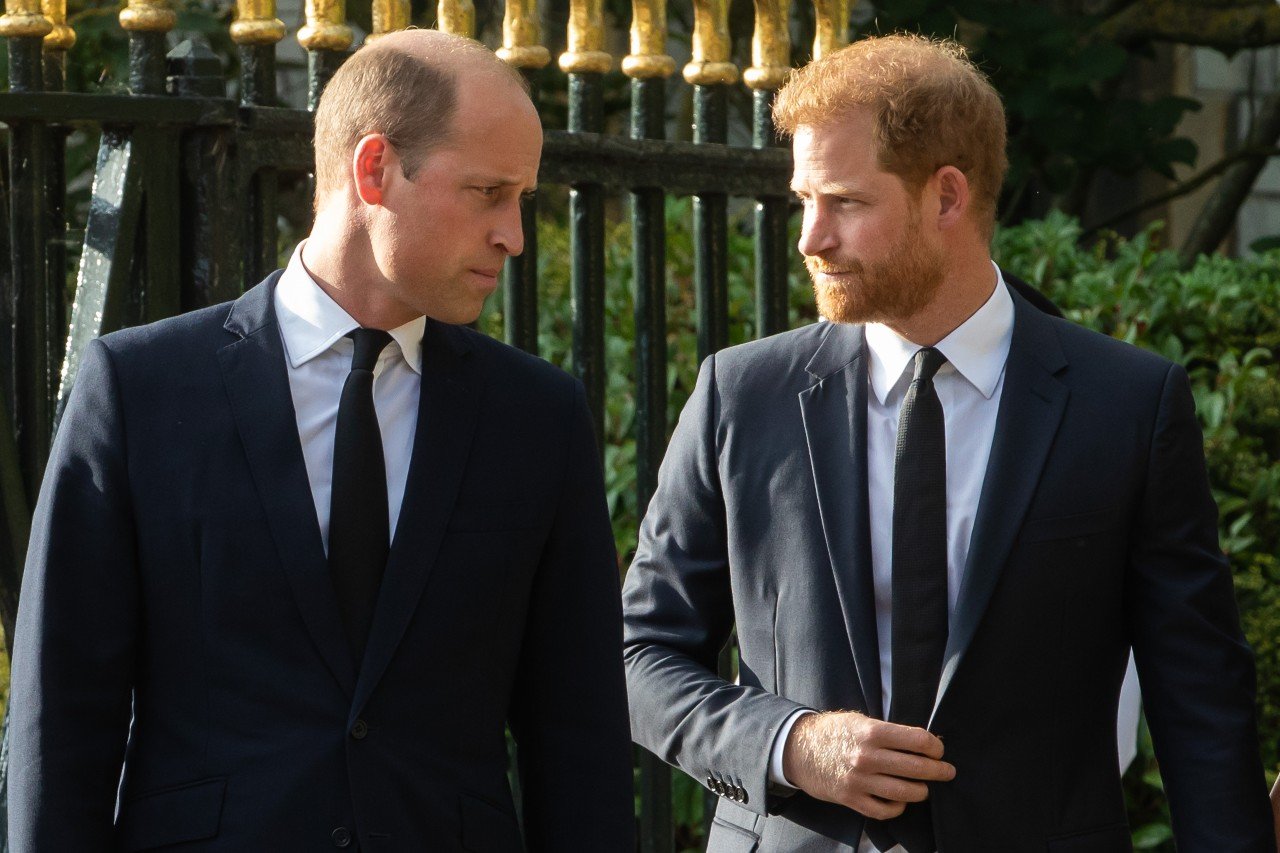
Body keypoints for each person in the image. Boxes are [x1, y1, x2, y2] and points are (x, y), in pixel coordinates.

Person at [622, 33, 1273, 853]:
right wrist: (789, 743)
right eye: (803, 200)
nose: (809, 238)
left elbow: (1200, 696)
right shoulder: (741, 395)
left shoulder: (1128, 407)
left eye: (846, 202)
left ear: (948, 197)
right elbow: (639, 655)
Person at [8, 29, 634, 852]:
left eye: (523, 199)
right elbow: (62, 715)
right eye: (488, 192)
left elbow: (578, 738)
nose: (513, 234)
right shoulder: (142, 388)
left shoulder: (538, 417)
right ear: (373, 170)